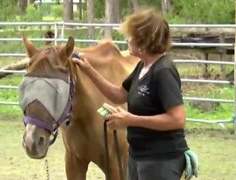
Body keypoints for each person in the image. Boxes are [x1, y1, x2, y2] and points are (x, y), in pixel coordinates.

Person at [72, 7, 192, 180]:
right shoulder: (142, 66)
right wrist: (89, 70)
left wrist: (131, 120)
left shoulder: (163, 71)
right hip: (138, 155)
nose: (127, 39)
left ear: (144, 41)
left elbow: (177, 119)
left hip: (161, 159)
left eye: (131, 36)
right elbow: (118, 95)